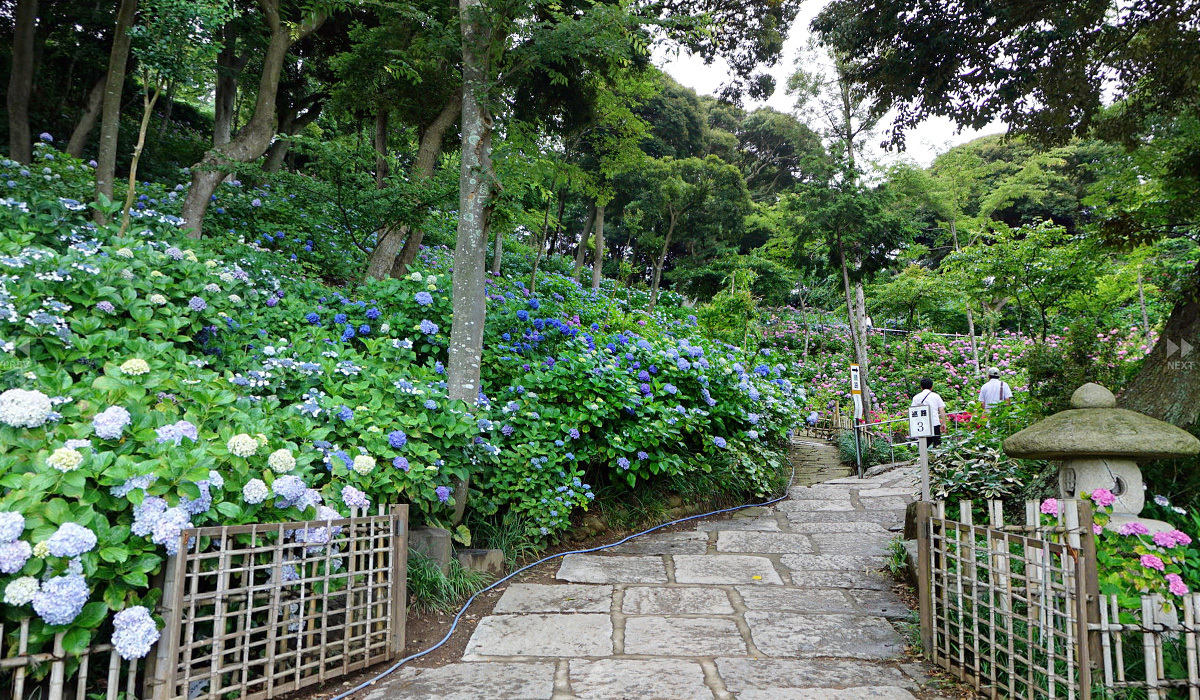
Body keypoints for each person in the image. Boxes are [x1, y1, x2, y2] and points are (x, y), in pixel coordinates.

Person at [911, 377, 948, 446]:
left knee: (923, 445)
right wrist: (943, 422)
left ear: (921, 387)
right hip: (935, 423)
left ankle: (923, 456)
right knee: (937, 445)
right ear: (932, 387)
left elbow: (913, 411)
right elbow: (941, 409)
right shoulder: (936, 396)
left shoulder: (916, 397)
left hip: (922, 425)